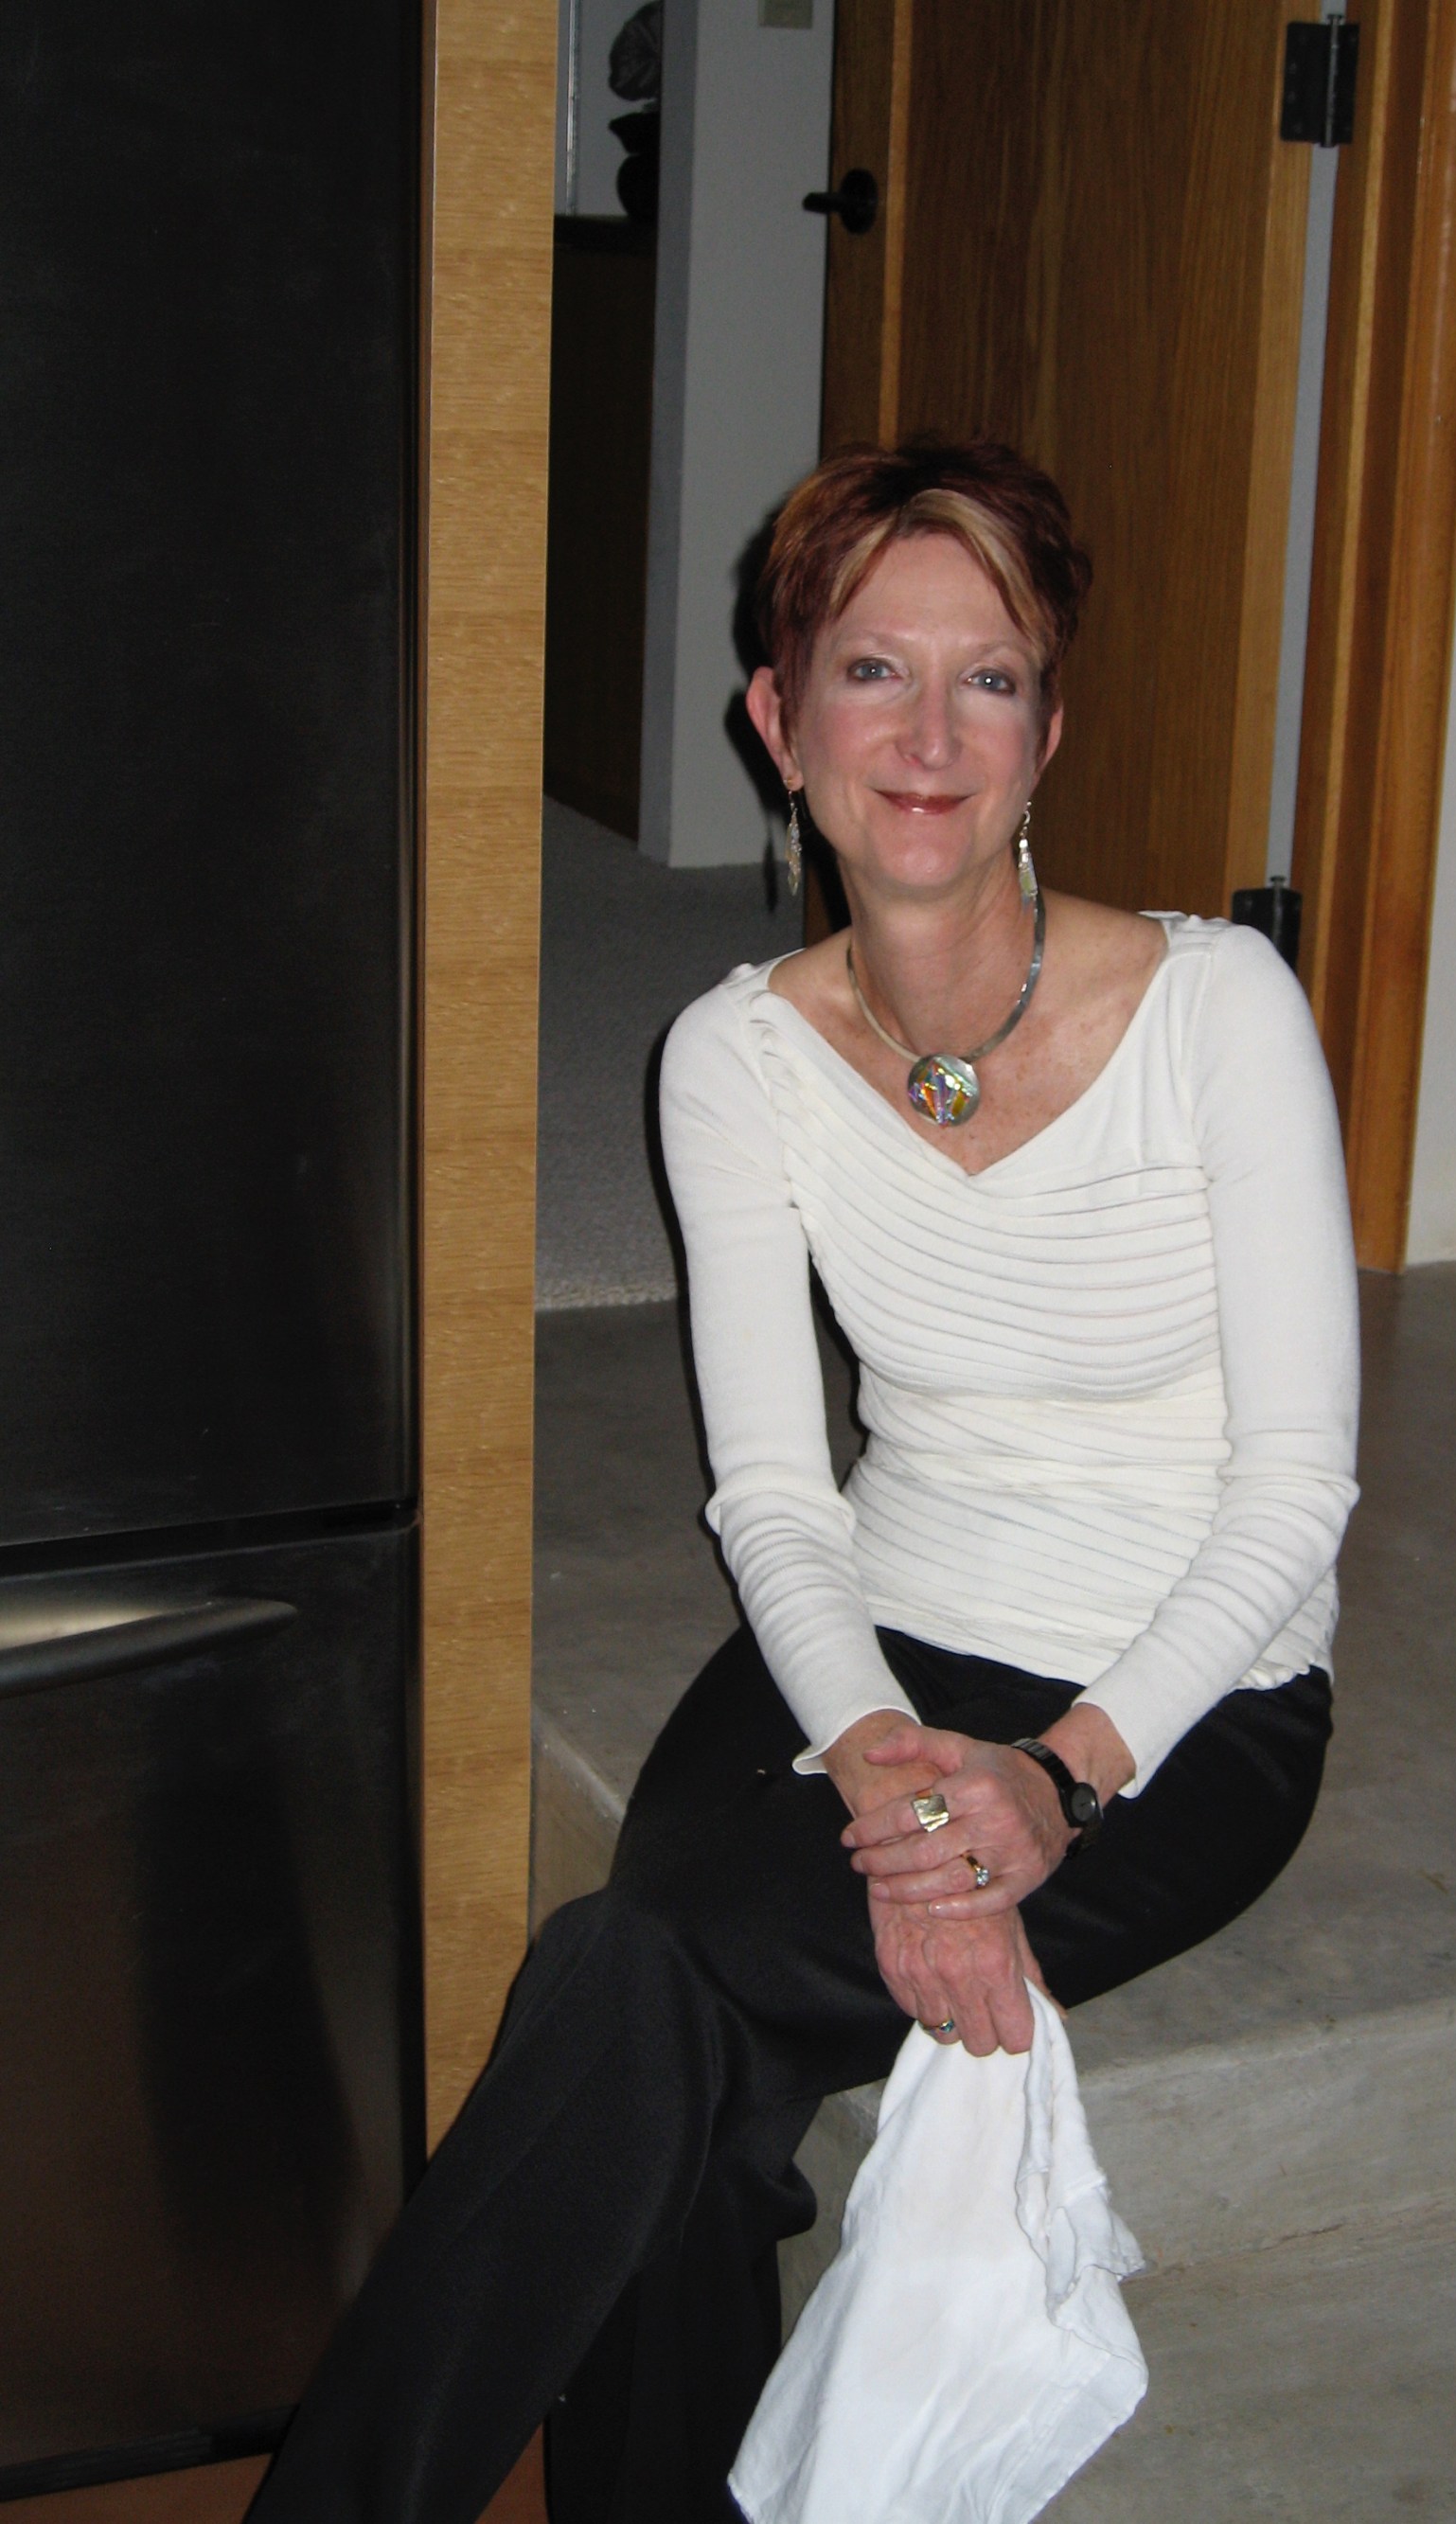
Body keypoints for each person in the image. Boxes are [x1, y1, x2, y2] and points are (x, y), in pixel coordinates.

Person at [246, 437, 1358, 2524]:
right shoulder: (734, 1054)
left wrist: (1057, 1781)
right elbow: (772, 1491)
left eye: (988, 677)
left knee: (637, 1970)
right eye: (869, 672)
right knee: (668, 2027)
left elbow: (1297, 1488)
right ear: (778, 720)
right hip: (867, 1634)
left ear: (1049, 729)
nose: (928, 738)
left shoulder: (1219, 1010)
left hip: (1181, 1700)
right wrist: (873, 1753)